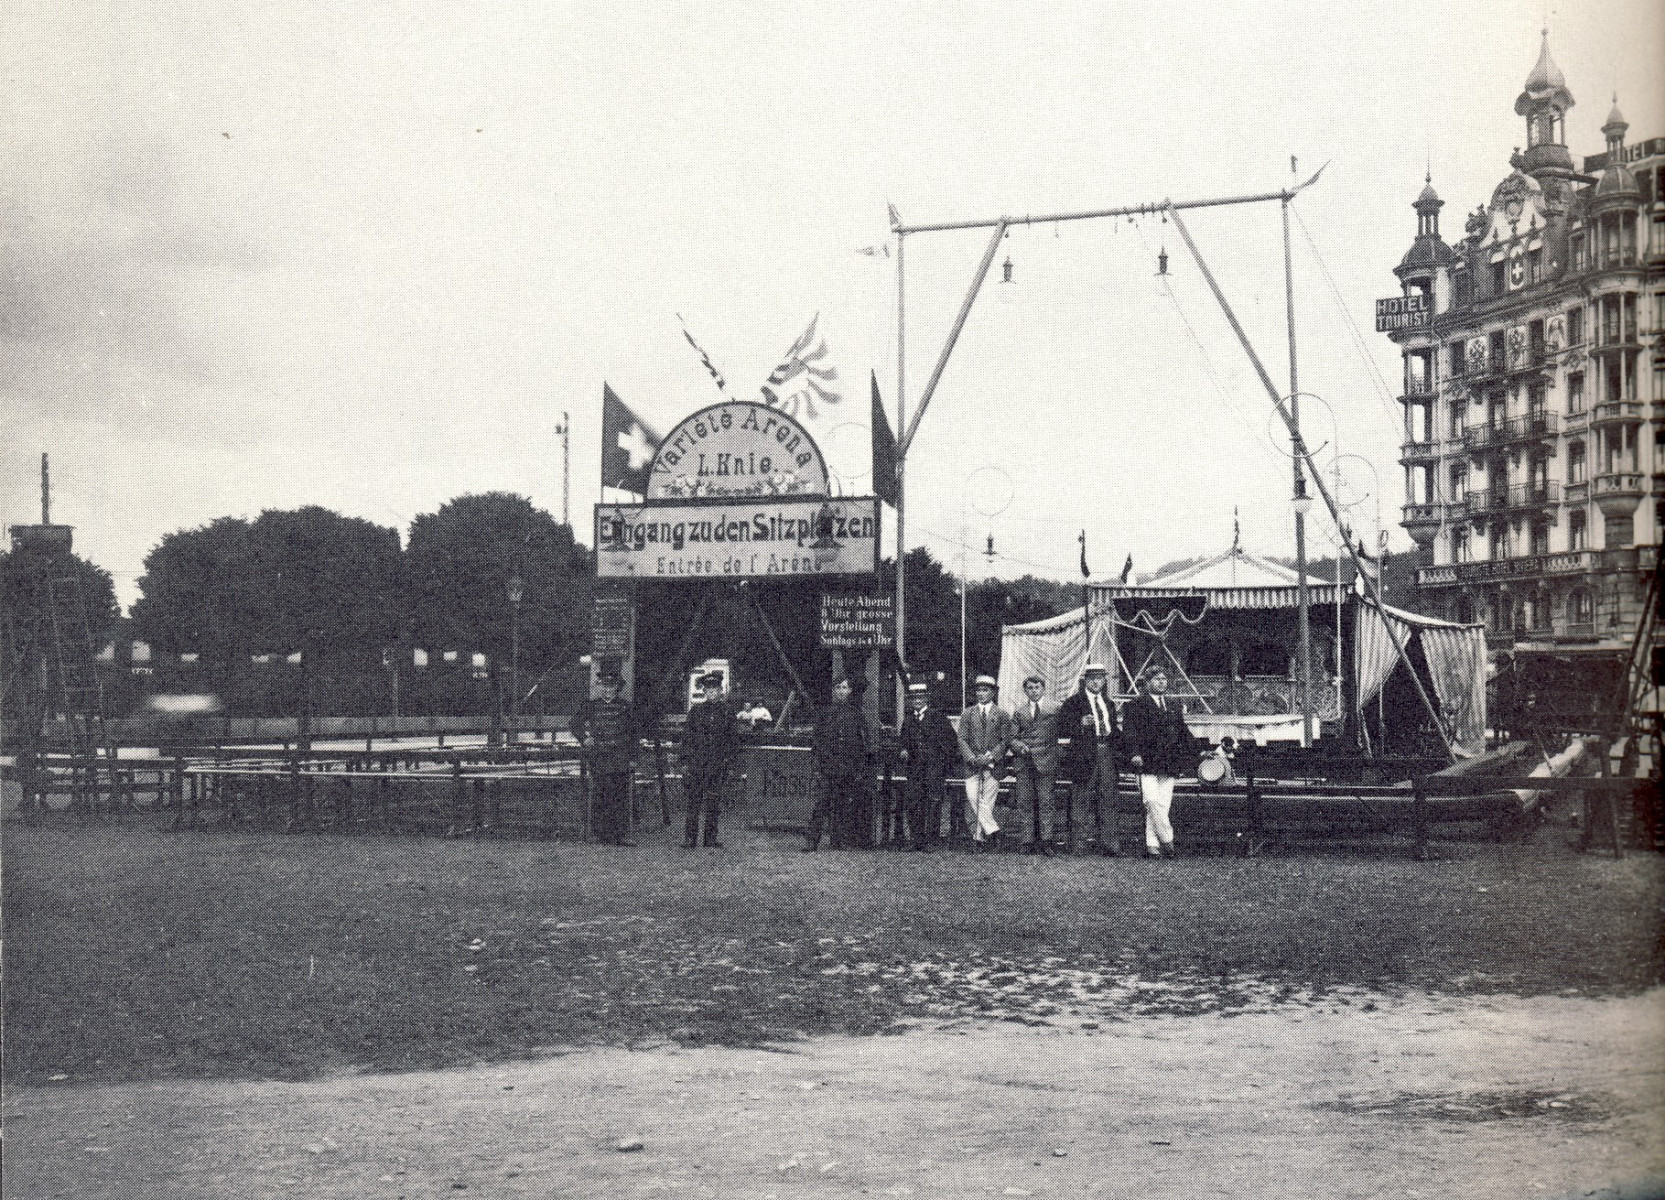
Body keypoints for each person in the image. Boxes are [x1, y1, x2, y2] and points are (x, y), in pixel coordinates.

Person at [1121, 665, 1198, 858]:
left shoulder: (1173, 705)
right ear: (1147, 683)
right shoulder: (1135, 705)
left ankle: (1152, 846)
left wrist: (1201, 750)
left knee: (1163, 804)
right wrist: (1134, 754)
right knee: (1151, 801)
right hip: (1145, 762)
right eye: (1157, 679)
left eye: (1164, 679)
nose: (1162, 682)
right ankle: (1167, 840)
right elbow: (1129, 733)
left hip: (1169, 762)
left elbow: (1183, 732)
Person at [1056, 663, 1122, 855]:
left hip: (1106, 752)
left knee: (1108, 798)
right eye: (1092, 678)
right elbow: (1061, 728)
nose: (1096, 682)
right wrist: (1080, 723)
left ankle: (1109, 845)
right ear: (1085, 680)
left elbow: (1113, 730)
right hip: (1084, 755)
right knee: (1080, 798)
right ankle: (1078, 844)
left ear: (1104, 680)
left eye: (1099, 678)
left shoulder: (1108, 703)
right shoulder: (1073, 702)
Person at [570, 669, 642, 846]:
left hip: (620, 758)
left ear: (617, 688)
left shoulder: (626, 707)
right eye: (604, 686)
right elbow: (574, 724)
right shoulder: (591, 706)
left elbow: (634, 734)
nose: (607, 690)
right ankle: (600, 834)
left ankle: (621, 835)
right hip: (599, 758)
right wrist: (584, 738)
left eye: (611, 687)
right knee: (600, 795)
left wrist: (633, 758)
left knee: (620, 796)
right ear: (599, 687)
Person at [805, 675, 872, 851]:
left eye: (844, 688)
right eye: (838, 688)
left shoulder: (856, 714)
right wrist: (820, 764)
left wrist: (858, 766)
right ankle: (812, 840)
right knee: (821, 803)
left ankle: (839, 840)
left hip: (848, 767)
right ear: (834, 691)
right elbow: (817, 741)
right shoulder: (825, 713)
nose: (841, 691)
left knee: (843, 804)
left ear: (850, 691)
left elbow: (862, 741)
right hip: (828, 766)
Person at [681, 669, 740, 849]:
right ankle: (690, 838)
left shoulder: (727, 712)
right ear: (704, 691)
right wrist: (685, 761)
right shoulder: (696, 711)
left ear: (720, 691)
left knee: (713, 803)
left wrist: (730, 762)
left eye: (715, 689)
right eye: (709, 690)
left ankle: (710, 838)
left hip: (717, 764)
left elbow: (732, 740)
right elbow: (687, 738)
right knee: (693, 802)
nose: (712, 693)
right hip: (697, 763)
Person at [898, 680, 958, 852]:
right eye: (914, 698)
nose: (917, 701)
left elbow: (951, 741)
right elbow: (903, 742)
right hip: (914, 769)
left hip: (934, 769)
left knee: (933, 803)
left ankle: (931, 840)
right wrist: (903, 750)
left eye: (920, 697)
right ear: (910, 700)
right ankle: (916, 839)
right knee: (914, 803)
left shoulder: (938, 718)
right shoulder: (908, 720)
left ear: (926, 699)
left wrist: (942, 761)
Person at [957, 675, 1013, 851]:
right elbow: (961, 739)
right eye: (978, 690)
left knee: (987, 802)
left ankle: (979, 839)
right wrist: (972, 757)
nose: (981, 694)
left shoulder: (1002, 714)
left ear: (993, 693)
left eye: (985, 690)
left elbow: (1005, 740)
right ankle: (994, 831)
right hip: (972, 766)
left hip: (993, 766)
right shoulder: (968, 713)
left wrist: (990, 756)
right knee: (974, 797)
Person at [1009, 674, 1061, 855]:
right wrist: (1019, 746)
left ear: (1043, 689)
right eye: (1030, 688)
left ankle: (1047, 841)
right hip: (1024, 763)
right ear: (1025, 691)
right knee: (1025, 802)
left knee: (1046, 802)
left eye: (1037, 687)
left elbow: (1065, 729)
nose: (1034, 691)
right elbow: (1012, 738)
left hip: (1046, 761)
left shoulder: (1055, 708)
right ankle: (1027, 840)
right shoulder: (1019, 712)